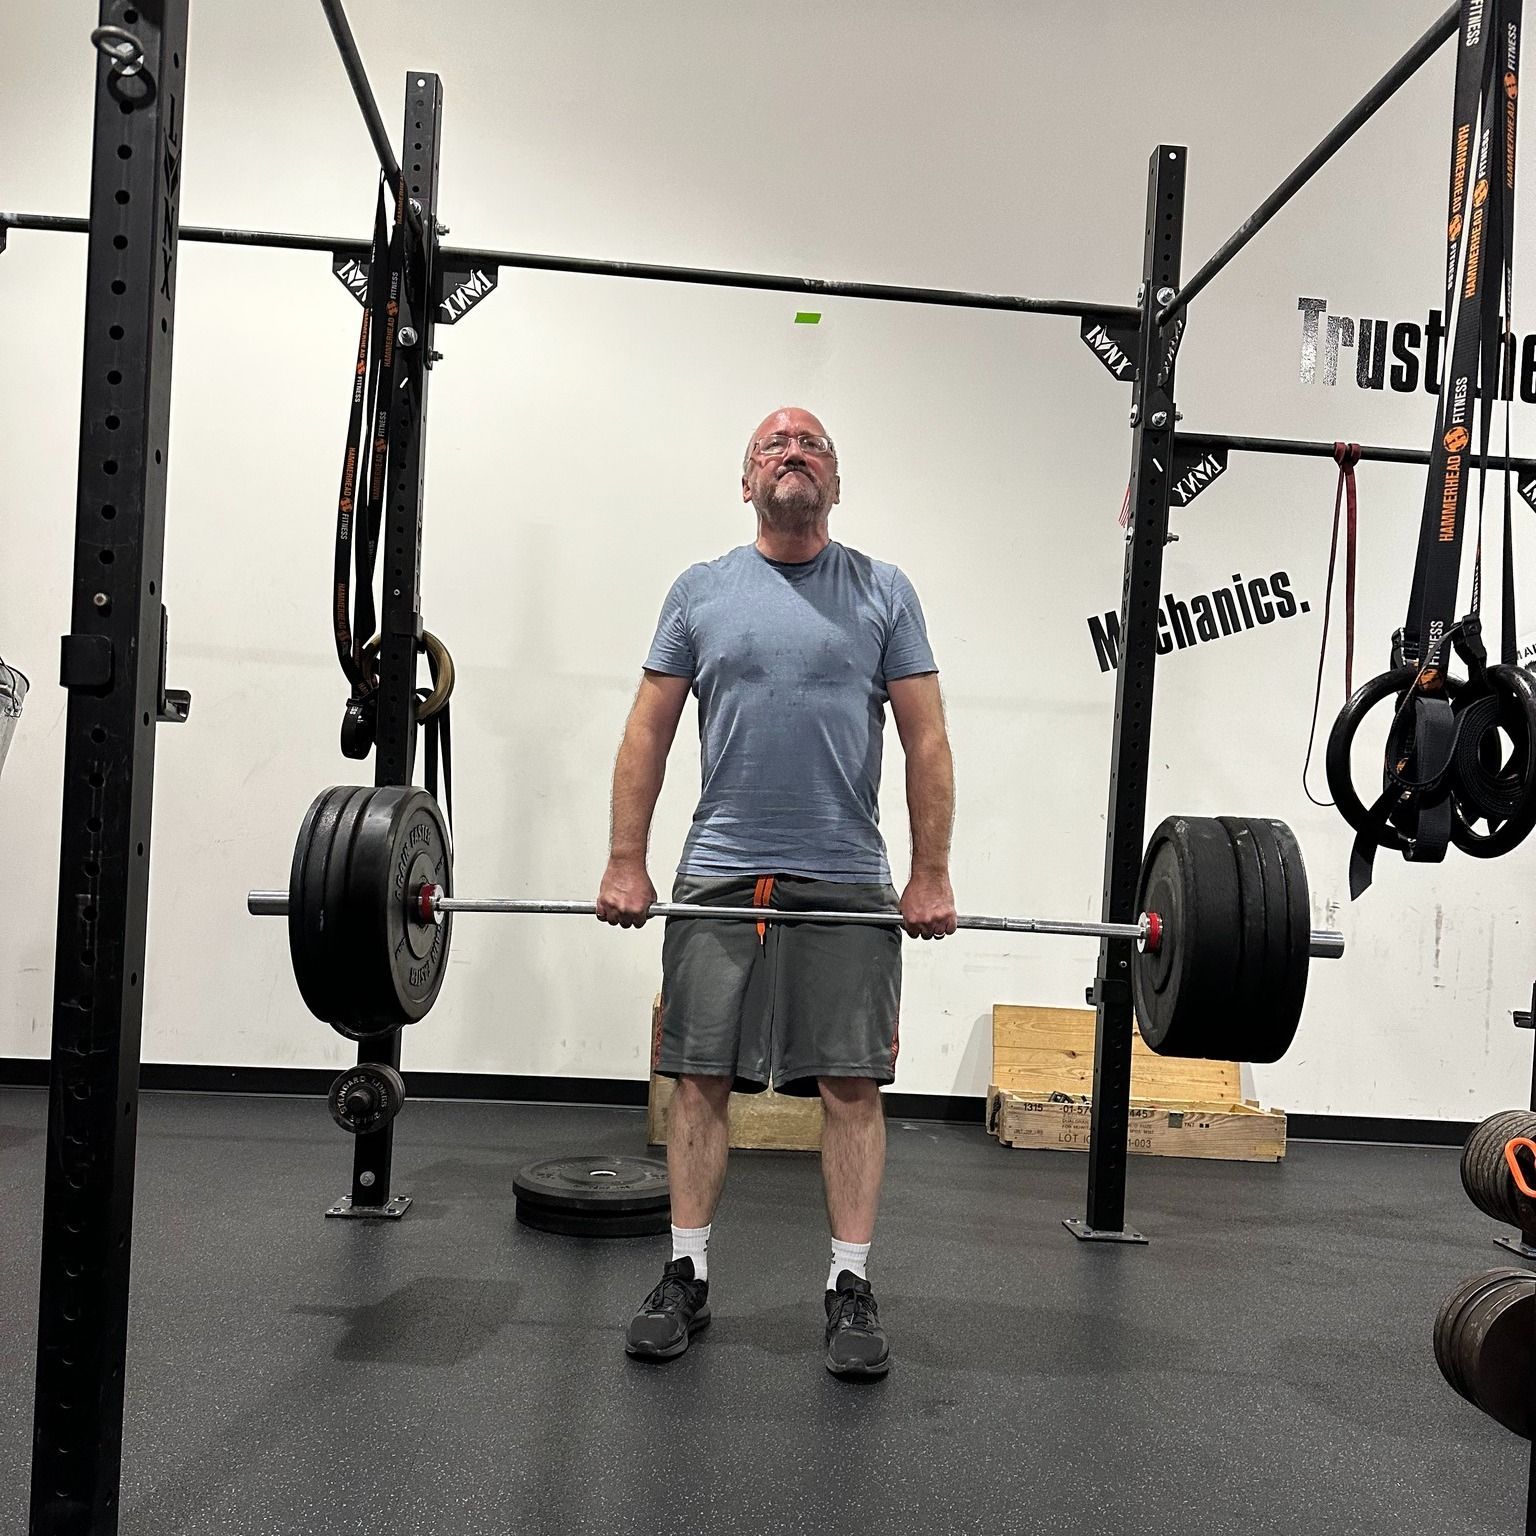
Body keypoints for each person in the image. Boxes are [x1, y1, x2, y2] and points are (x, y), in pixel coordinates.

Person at [595, 406, 956, 1379]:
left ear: (835, 484)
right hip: (719, 867)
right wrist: (627, 859)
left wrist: (928, 872)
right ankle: (686, 1271)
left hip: (845, 875)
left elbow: (925, 737)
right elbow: (646, 735)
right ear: (746, 480)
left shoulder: (885, 592)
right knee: (699, 1079)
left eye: (812, 447)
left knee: (849, 1084)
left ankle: (848, 1283)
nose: (792, 454)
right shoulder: (701, 591)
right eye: (772, 445)